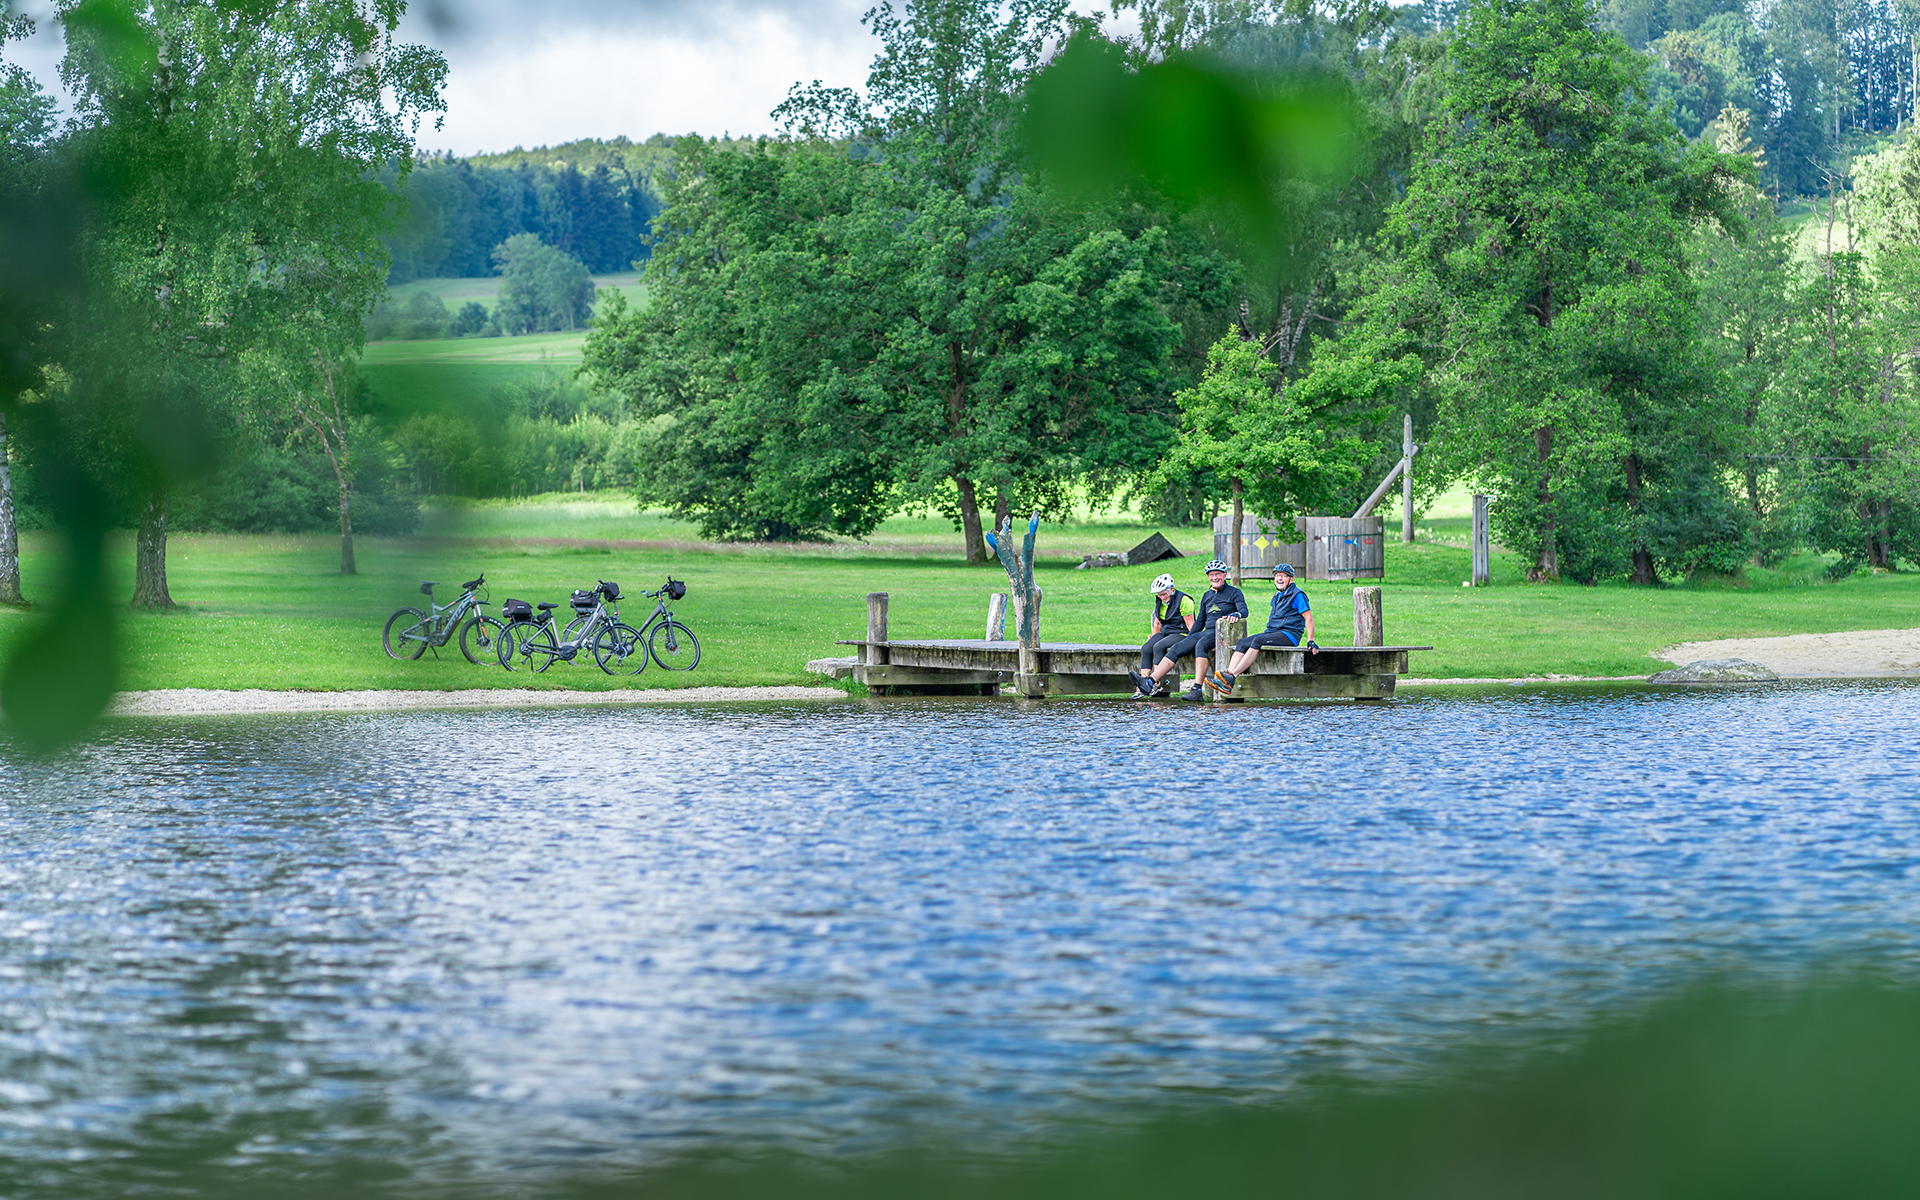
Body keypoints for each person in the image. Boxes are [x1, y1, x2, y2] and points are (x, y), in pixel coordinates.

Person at [1129, 560, 1247, 701]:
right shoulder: (1207, 595)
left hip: (1222, 632)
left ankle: (1197, 690)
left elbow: (1244, 610)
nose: (1214, 577)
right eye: (1211, 575)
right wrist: (1188, 639)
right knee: (1177, 647)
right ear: (1208, 577)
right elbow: (1200, 621)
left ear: (1224, 575)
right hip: (1206, 631)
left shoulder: (1235, 592)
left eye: (1217, 574)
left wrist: (1236, 614)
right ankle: (1149, 682)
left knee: (1201, 644)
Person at [1207, 563, 1318, 695]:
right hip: (1274, 632)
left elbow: (1309, 618)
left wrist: (1310, 640)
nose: (1279, 579)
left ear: (1291, 579)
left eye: (1283, 576)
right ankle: (1227, 679)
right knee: (1241, 642)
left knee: (1258, 641)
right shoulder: (1277, 596)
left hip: (1289, 635)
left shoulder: (1297, 595)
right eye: (1277, 576)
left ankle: (1232, 676)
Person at [1132, 573, 1195, 699]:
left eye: (1164, 594)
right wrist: (1153, 637)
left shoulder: (1184, 600)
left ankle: (1155, 683)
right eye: (1159, 595)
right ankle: (1143, 684)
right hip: (1167, 632)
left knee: (1159, 646)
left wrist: (1192, 641)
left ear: (1171, 589)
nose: (1162, 597)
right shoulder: (1160, 601)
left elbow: (1190, 625)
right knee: (1147, 647)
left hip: (1182, 633)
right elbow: (1157, 623)